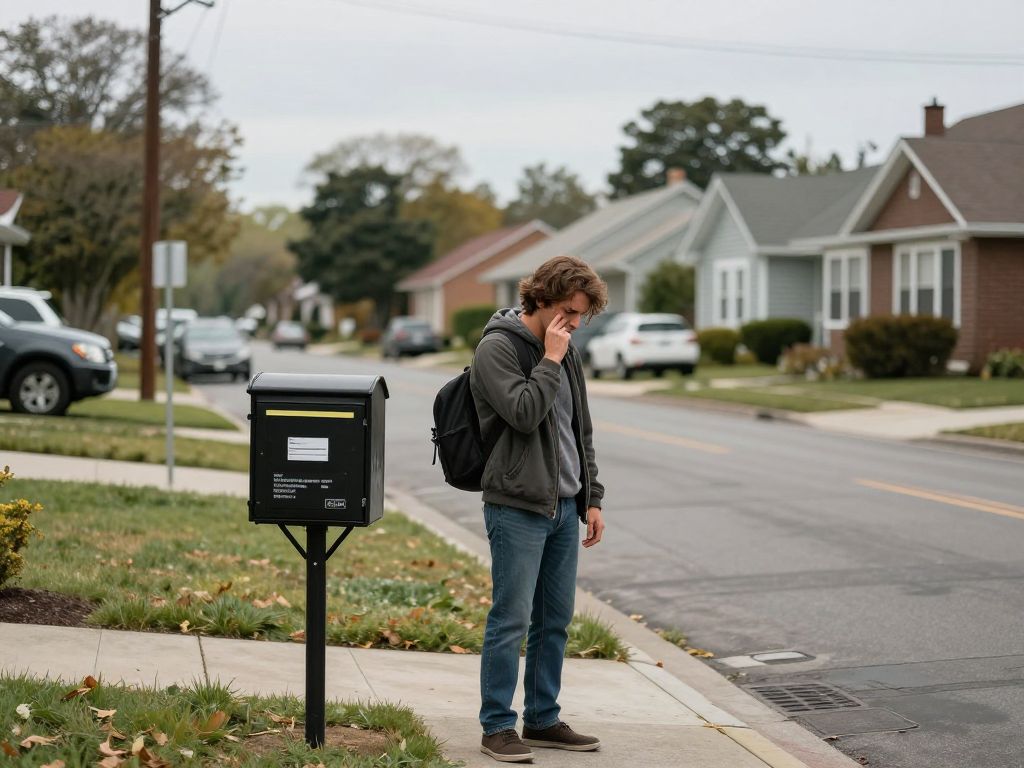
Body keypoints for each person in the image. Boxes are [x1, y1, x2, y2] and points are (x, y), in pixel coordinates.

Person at [470, 255, 608, 763]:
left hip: (564, 505)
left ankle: (543, 719)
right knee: (510, 618)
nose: (574, 323)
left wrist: (591, 497)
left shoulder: (566, 350)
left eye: (581, 316)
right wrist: (549, 358)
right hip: (517, 506)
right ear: (543, 298)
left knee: (554, 620)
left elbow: (581, 429)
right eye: (570, 311)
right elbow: (525, 414)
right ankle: (497, 727)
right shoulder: (497, 348)